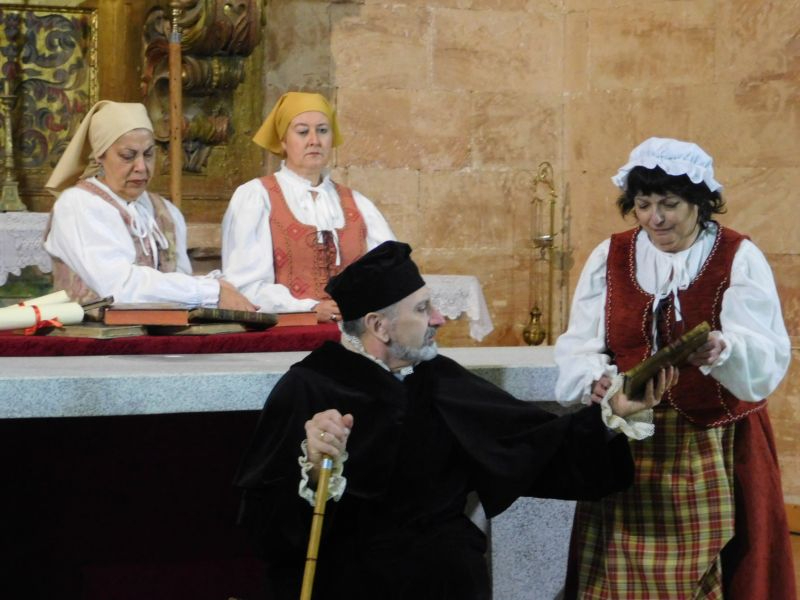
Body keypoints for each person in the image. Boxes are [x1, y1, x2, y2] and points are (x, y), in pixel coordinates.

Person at [234, 240, 676, 600]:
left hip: (444, 582)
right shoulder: (310, 388)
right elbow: (264, 528)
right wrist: (311, 470)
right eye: (423, 309)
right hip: (350, 584)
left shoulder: (439, 379)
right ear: (379, 326)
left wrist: (610, 416)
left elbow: (534, 443)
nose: (440, 320)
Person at [554, 137, 795, 599]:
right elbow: (581, 342)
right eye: (643, 204)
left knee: (713, 572)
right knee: (615, 571)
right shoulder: (611, 256)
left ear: (700, 203)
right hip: (629, 438)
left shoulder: (737, 257)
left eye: (670, 204)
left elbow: (767, 353)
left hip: (715, 440)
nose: (655, 218)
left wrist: (726, 348)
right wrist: (594, 378)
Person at [44, 100, 255, 311]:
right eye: (128, 156)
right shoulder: (78, 206)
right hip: (88, 339)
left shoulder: (165, 211)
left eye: (148, 154)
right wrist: (211, 291)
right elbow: (119, 288)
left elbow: (180, 286)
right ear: (100, 155)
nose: (141, 167)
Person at [221, 91, 395, 323]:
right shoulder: (257, 196)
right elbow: (245, 286)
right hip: (287, 335)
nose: (314, 140)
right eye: (303, 131)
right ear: (283, 140)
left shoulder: (357, 203)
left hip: (355, 335)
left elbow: (391, 272)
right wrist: (309, 308)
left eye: (322, 130)